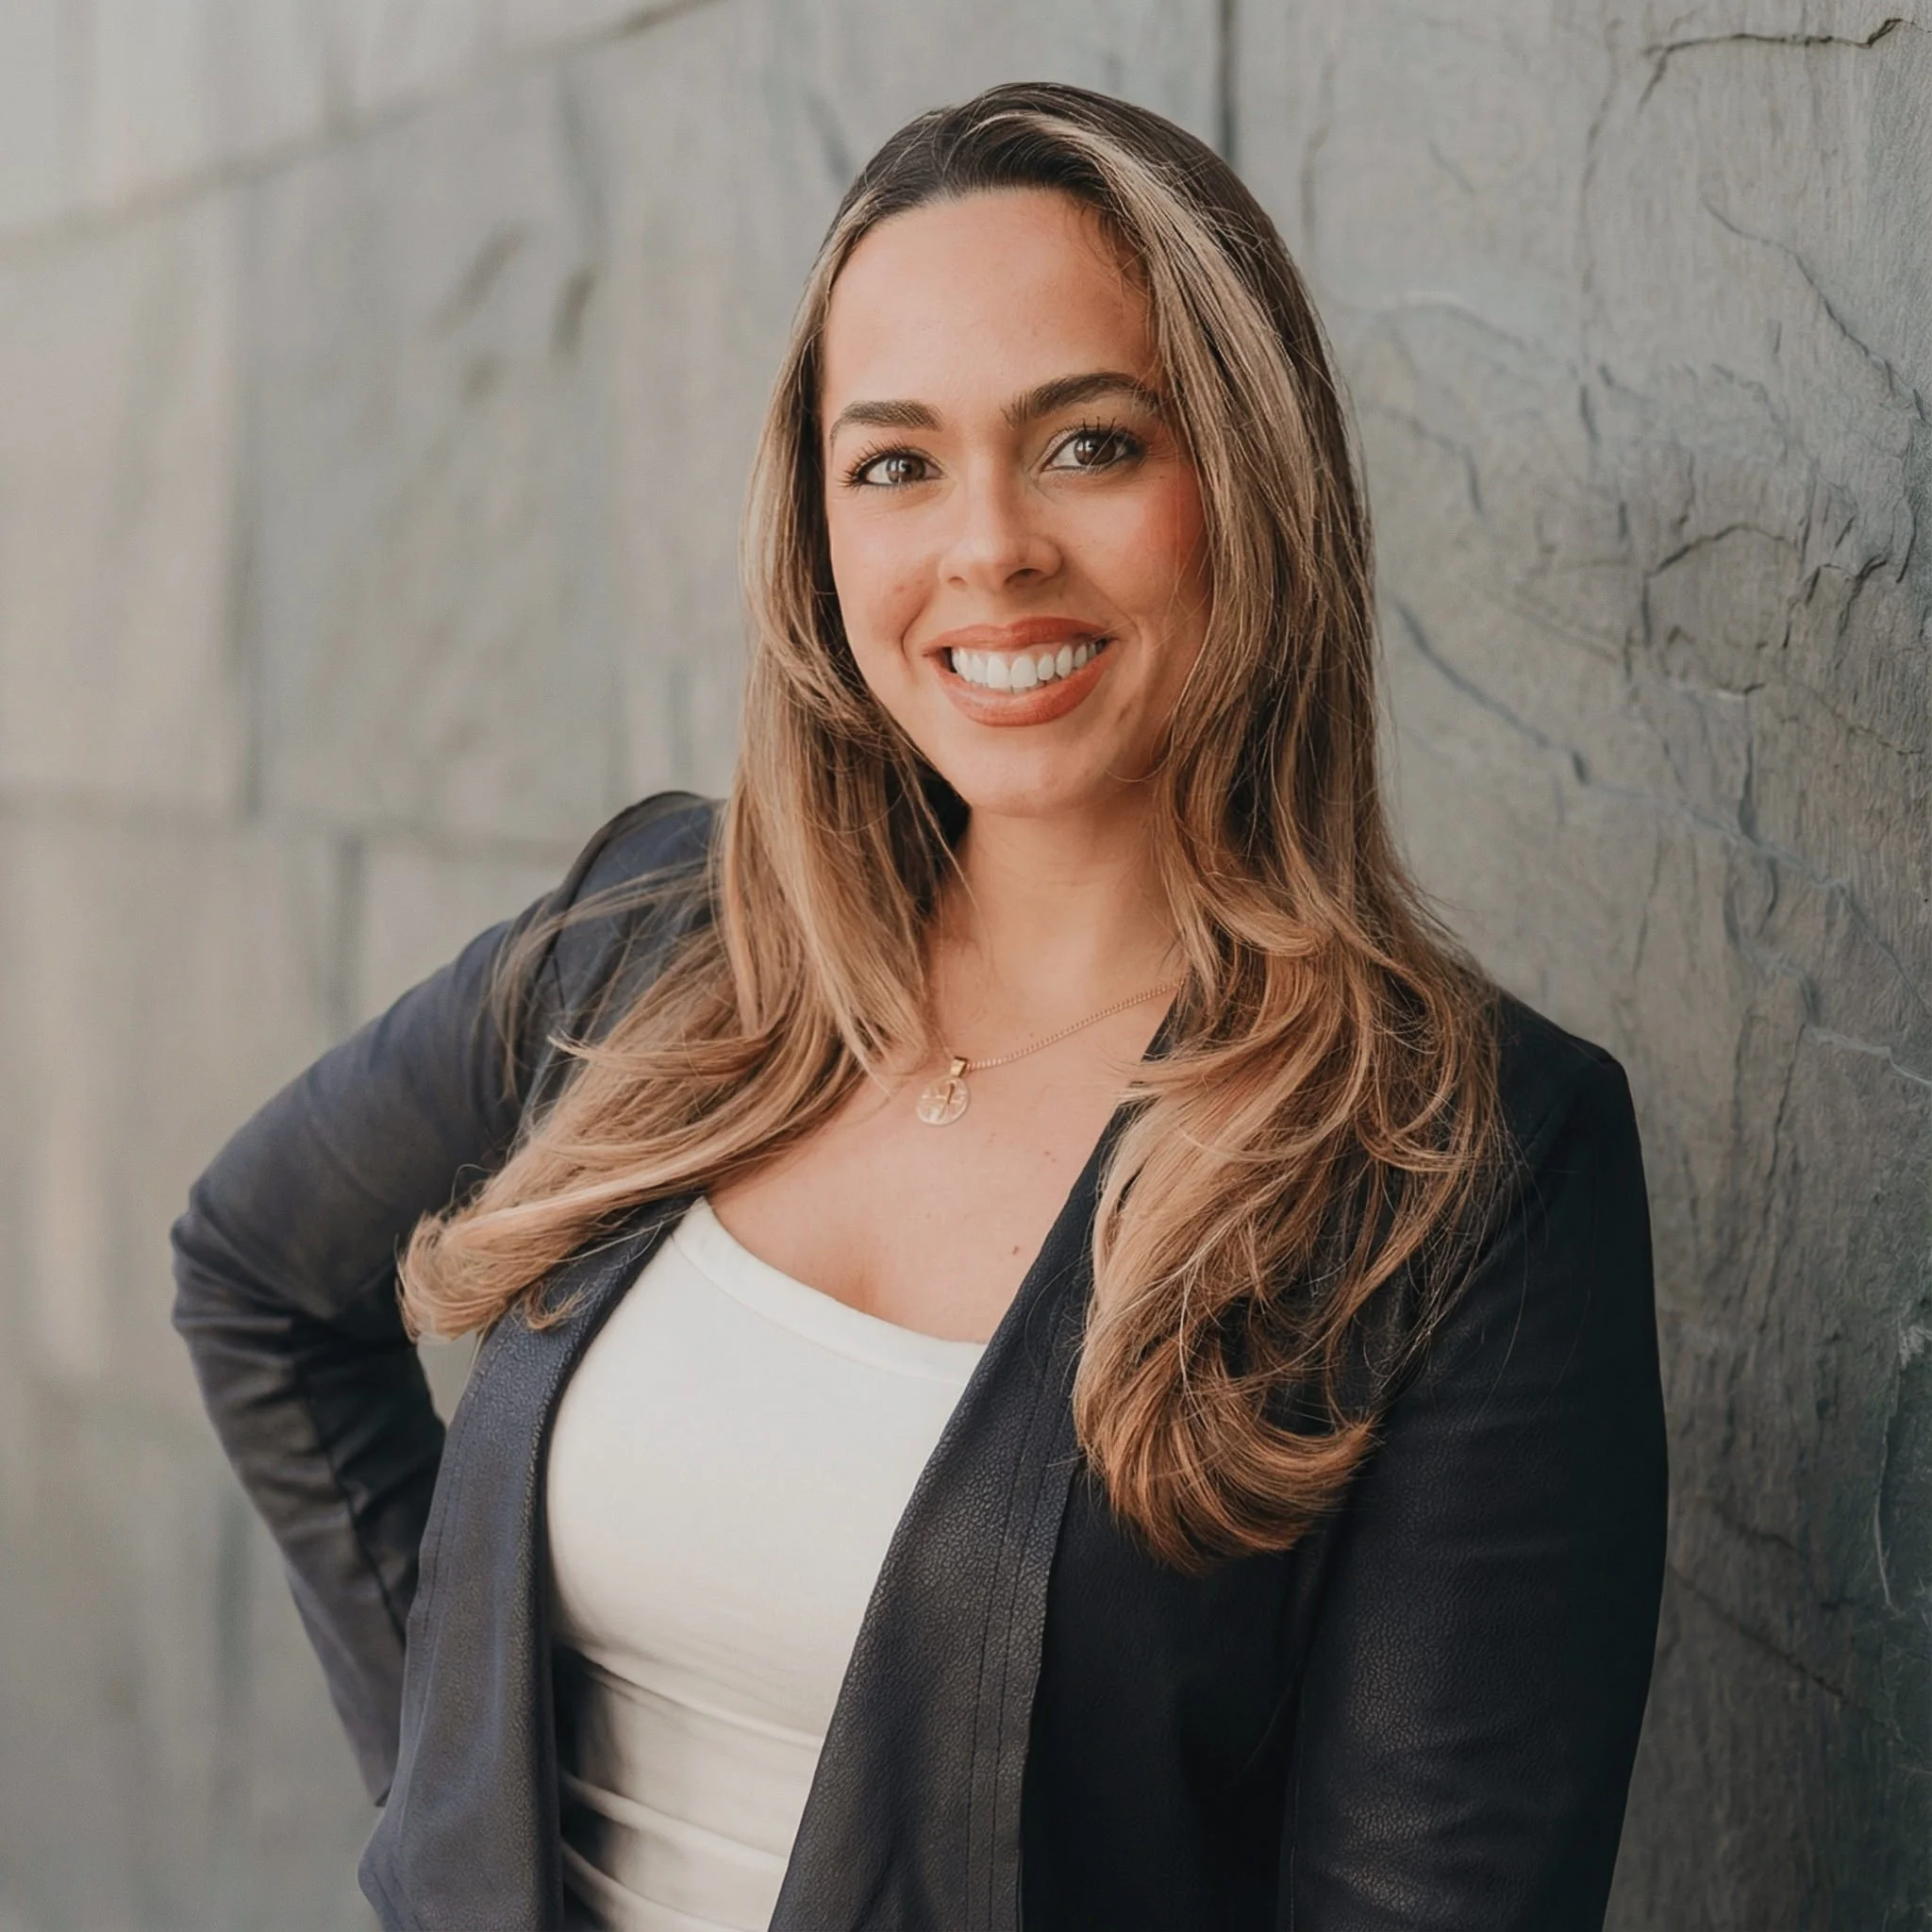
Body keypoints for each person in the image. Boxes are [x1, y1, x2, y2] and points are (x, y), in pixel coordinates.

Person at [174, 82, 1667, 1932]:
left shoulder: (1458, 1164)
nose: (988, 549)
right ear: (817, 530)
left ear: (1249, 477)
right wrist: (451, 1799)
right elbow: (255, 1269)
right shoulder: (649, 942)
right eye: (895, 462)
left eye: (1088, 444)